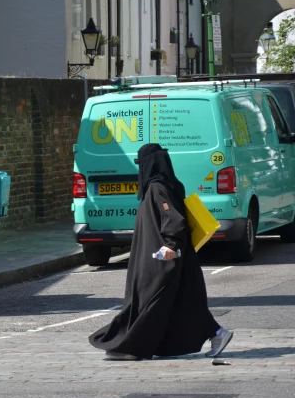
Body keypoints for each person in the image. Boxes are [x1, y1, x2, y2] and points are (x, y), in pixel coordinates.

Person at [88, 143, 233, 361]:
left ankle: (133, 345)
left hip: (163, 257)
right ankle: (216, 333)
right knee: (181, 302)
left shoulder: (157, 188)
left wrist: (170, 245)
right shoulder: (169, 185)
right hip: (171, 255)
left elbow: (174, 219)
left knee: (151, 298)